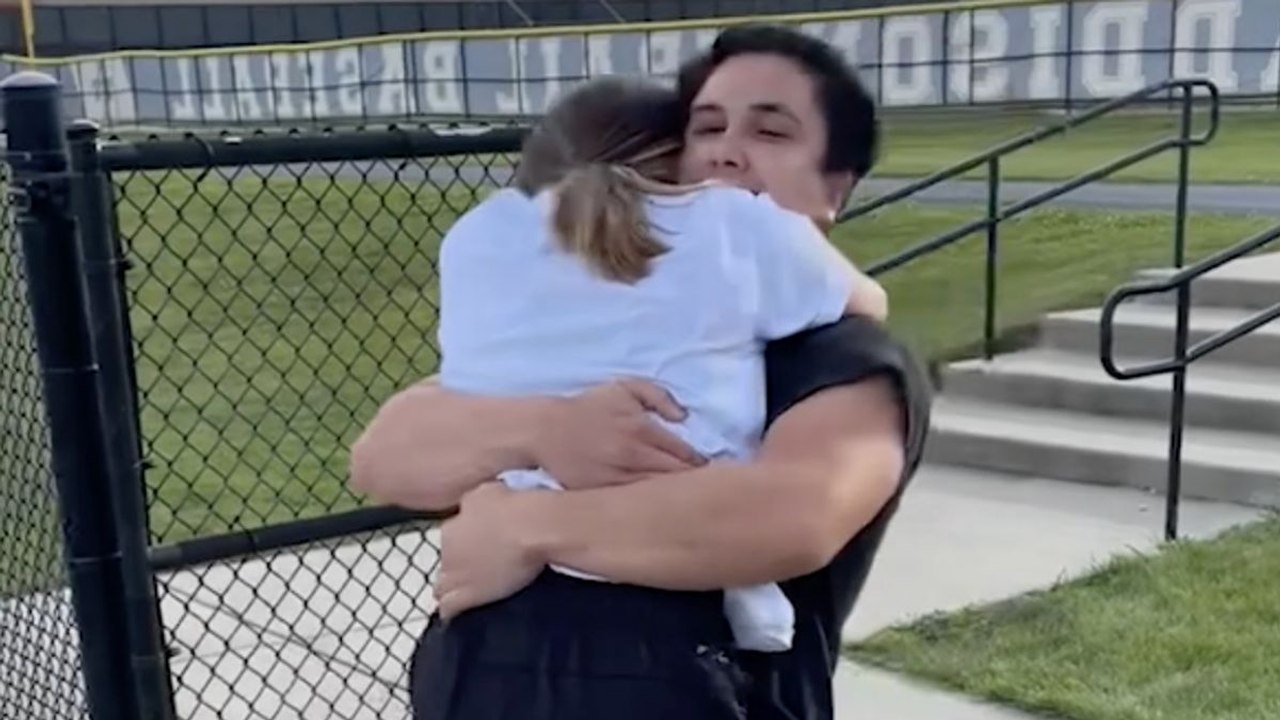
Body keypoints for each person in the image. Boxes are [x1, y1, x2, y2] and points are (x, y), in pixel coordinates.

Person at [351, 23, 932, 720]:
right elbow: (384, 457)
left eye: (770, 134)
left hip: (700, 687)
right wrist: (547, 429)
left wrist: (526, 526)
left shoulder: (851, 360)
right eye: (706, 128)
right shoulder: (615, 319)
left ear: (835, 187)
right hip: (479, 677)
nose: (725, 153)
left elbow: (791, 518)